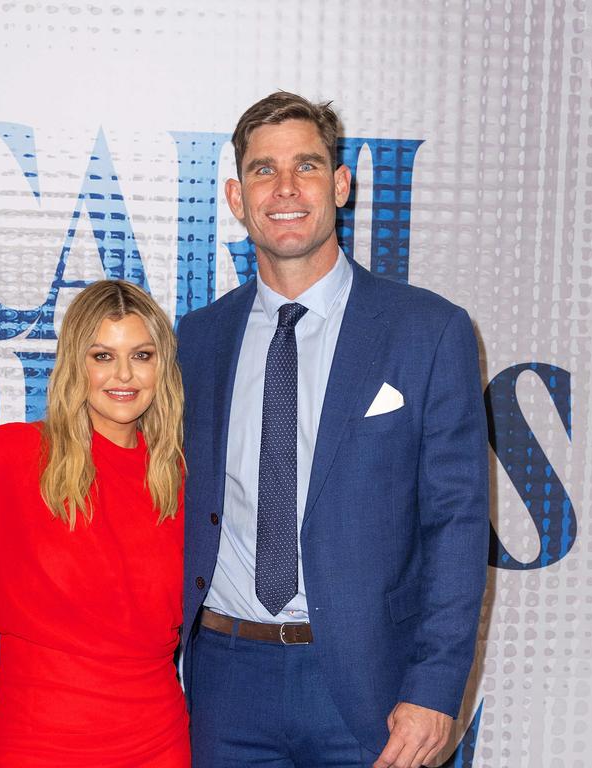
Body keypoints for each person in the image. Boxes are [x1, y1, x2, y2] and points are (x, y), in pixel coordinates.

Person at [176, 91, 489, 768]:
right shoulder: (196, 342)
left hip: (370, 684)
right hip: (226, 685)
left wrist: (436, 688)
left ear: (340, 185)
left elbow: (458, 523)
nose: (285, 188)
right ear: (237, 196)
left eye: (307, 166)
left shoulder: (427, 331)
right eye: (263, 170)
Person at [0, 280, 190, 767]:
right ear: (76, 363)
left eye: (143, 355)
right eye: (103, 356)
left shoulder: (178, 477)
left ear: (162, 367)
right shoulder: (8, 460)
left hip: (159, 743)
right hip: (39, 744)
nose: (125, 375)